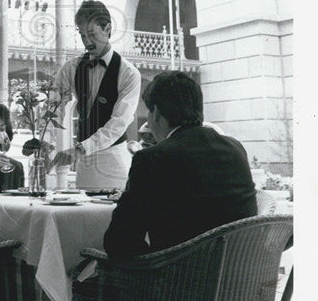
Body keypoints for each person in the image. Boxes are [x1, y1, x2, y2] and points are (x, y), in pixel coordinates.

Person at [103, 71, 257, 258]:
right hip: (241, 276)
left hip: (178, 281)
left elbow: (118, 241)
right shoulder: (236, 148)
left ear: (156, 113)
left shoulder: (152, 158)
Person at [51, 0, 140, 191]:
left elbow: (118, 124)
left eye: (92, 34)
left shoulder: (129, 73)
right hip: (85, 164)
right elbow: (54, 106)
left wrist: (79, 149)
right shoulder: (71, 68)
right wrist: (44, 138)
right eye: (82, 35)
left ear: (107, 28)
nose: (87, 42)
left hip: (113, 161)